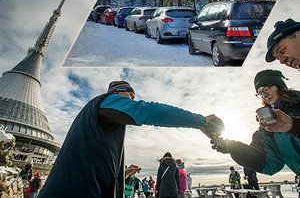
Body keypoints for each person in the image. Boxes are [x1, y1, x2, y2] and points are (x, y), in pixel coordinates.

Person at [38, 81, 224, 198]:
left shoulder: (104, 125)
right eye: (130, 96)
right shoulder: (105, 101)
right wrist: (200, 121)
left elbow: (92, 162)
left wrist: (122, 174)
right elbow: (148, 110)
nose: (133, 101)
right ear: (117, 93)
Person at [211, 69, 300, 178]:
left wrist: (293, 126)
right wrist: (232, 147)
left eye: (267, 88)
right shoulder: (269, 126)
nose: (265, 94)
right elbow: (269, 163)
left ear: (280, 85)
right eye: (260, 92)